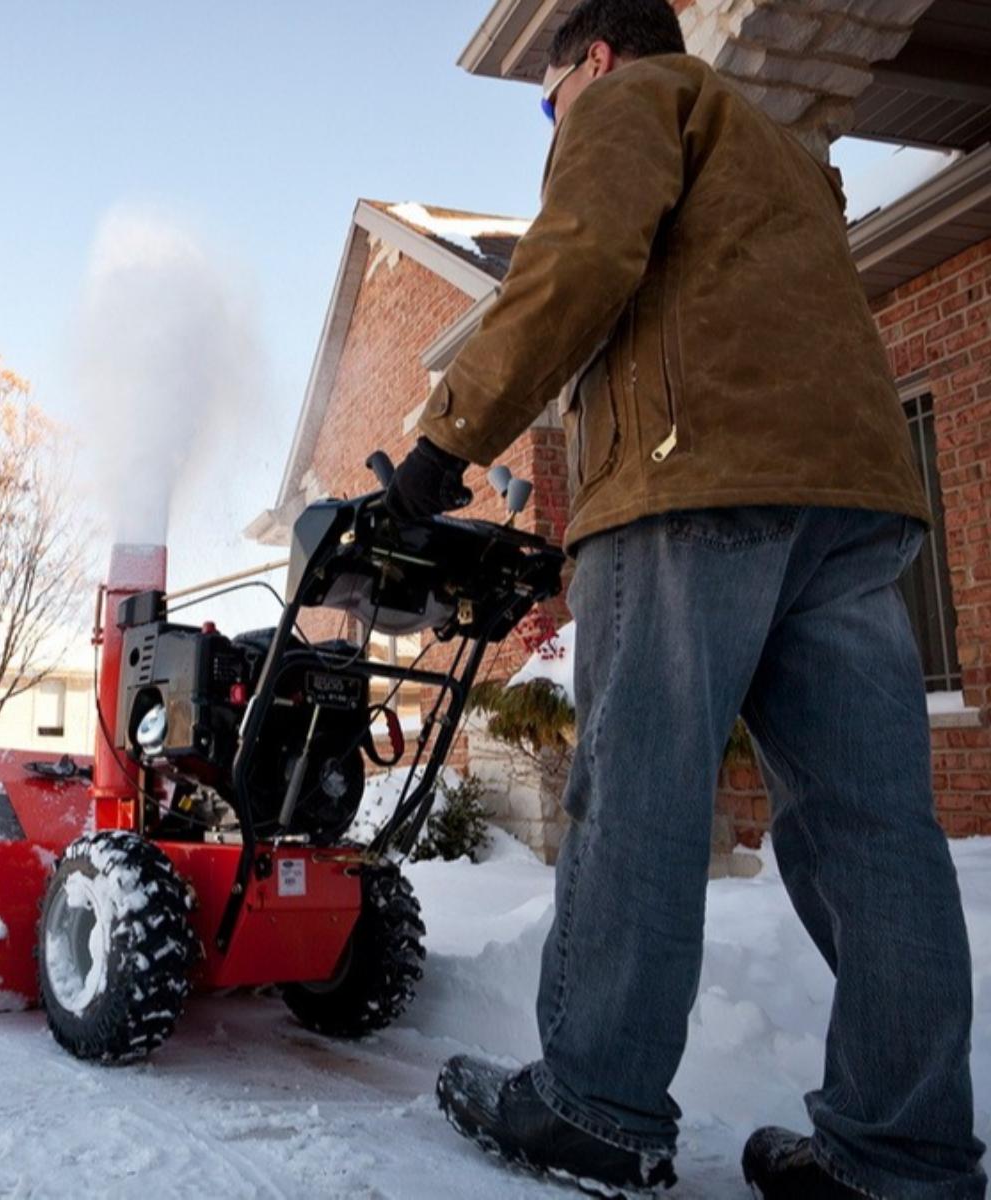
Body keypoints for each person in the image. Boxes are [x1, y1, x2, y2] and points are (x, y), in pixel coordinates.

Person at [383, 1, 987, 1197]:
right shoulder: (776, 150)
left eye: (550, 98)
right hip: (855, 501)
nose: (556, 121)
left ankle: (596, 1105)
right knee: (874, 835)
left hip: (689, 483)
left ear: (593, 57)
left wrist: (441, 450)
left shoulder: (631, 99)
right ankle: (903, 1154)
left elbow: (578, 261)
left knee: (638, 796)